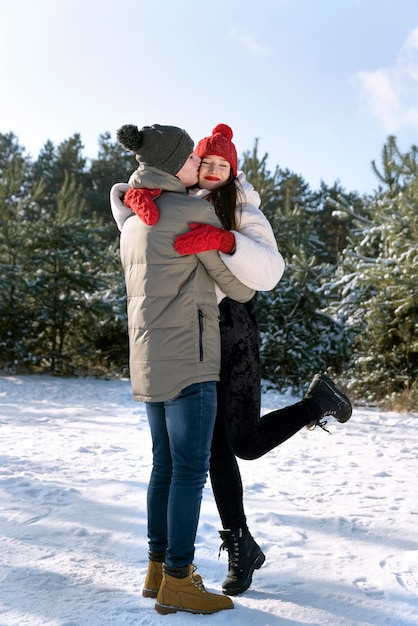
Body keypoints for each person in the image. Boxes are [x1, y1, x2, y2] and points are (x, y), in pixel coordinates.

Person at [111, 124, 352, 598]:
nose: (213, 170)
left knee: (240, 442)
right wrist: (134, 201)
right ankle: (240, 543)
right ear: (194, 164)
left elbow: (268, 271)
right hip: (191, 333)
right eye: (206, 162)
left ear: (234, 170)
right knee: (211, 451)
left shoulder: (241, 205)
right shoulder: (178, 200)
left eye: (223, 164)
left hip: (231, 329)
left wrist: (227, 242)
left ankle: (314, 404)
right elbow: (139, 214)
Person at [112, 122, 258, 615]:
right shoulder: (191, 211)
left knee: (163, 467)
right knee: (191, 472)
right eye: (191, 159)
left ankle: (156, 570)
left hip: (148, 360)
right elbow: (240, 289)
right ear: (174, 162)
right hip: (192, 362)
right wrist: (219, 241)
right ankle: (178, 578)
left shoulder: (135, 220)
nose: (199, 165)